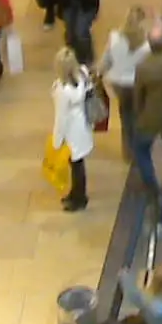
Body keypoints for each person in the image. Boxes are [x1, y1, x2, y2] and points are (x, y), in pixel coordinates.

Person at [50, 46, 99, 212]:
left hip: (71, 129)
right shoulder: (83, 74)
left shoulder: (62, 91)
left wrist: (57, 140)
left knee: (76, 164)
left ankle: (79, 198)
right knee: (78, 162)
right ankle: (76, 194)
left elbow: (61, 117)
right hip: (82, 124)